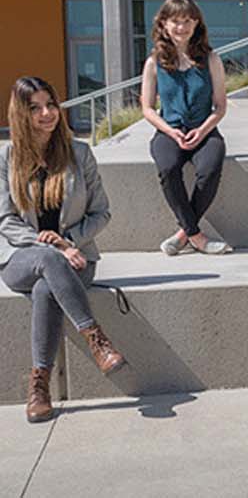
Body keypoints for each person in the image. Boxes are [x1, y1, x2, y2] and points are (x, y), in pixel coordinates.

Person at [1, 77, 126, 423]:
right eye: (35, 108)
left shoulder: (80, 153)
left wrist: (68, 242)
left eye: (51, 105)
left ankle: (39, 384)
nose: (46, 114)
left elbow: (102, 212)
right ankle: (95, 337)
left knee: (46, 288)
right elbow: (5, 221)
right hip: (21, 258)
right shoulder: (6, 157)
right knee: (44, 260)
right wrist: (55, 246)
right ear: (20, 114)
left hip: (78, 256)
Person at [139, 0, 231, 256]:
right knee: (168, 168)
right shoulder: (153, 63)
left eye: (188, 20)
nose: (182, 27)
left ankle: (183, 233)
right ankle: (197, 236)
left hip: (204, 129)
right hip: (169, 131)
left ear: (197, 24)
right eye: (176, 21)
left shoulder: (211, 59)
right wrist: (170, 131)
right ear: (164, 25)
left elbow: (221, 106)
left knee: (210, 168)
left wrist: (203, 130)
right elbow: (146, 108)